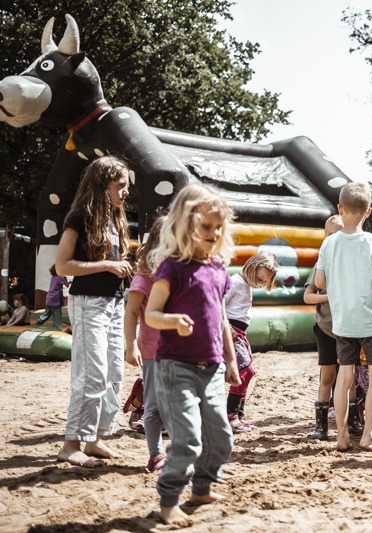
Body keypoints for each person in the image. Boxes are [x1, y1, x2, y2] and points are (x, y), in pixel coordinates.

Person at [144, 183, 242, 525]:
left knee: (221, 437)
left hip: (213, 367)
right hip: (176, 368)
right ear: (186, 225)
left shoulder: (218, 270)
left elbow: (223, 320)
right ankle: (169, 499)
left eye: (219, 227)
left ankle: (202, 488)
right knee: (187, 439)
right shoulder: (173, 267)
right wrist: (171, 320)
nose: (214, 233)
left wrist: (231, 360)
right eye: (206, 227)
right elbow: (151, 314)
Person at [54, 156, 132, 468]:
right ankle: (71, 443)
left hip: (114, 303)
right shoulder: (79, 218)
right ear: (102, 186)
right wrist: (108, 265)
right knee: (92, 374)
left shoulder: (115, 220)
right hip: (88, 303)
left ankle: (95, 438)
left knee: (114, 372)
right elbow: (63, 266)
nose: (125, 192)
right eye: (120, 185)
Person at [315, 182, 372, 455]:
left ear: (339, 209)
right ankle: (370, 435)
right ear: (368, 212)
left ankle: (342, 436)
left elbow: (319, 280)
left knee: (344, 377)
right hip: (370, 321)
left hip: (343, 321)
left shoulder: (329, 243)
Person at [304, 214, 364, 441]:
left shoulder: (356, 263)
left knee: (349, 375)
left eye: (339, 233)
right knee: (328, 374)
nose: (334, 238)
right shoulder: (322, 265)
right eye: (329, 234)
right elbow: (308, 296)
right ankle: (321, 425)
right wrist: (331, 296)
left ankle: (354, 419)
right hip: (326, 327)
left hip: (349, 326)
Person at [123, 215, 167, 471]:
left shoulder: (181, 270)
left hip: (180, 350)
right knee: (154, 405)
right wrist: (131, 346)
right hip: (153, 350)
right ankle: (156, 454)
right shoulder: (145, 275)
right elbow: (131, 312)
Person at [225, 251, 278, 433]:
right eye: (259, 278)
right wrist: (226, 328)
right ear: (253, 266)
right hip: (230, 331)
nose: (260, 283)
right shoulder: (235, 282)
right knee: (245, 371)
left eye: (263, 281)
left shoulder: (246, 285)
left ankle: (238, 414)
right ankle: (230, 415)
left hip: (240, 332)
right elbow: (217, 305)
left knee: (248, 372)